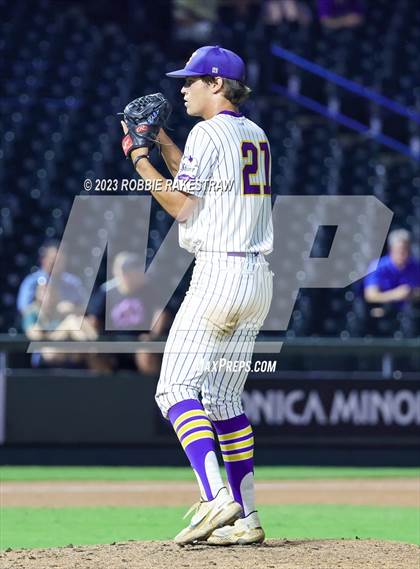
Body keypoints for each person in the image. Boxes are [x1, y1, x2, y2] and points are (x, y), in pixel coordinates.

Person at [121, 46, 273, 545]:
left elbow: (183, 206)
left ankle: (215, 498)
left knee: (174, 390)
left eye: (190, 81)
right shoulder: (255, 134)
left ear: (215, 82)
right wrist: (165, 142)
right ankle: (247, 518)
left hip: (218, 273)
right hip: (257, 278)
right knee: (225, 398)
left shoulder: (208, 132)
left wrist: (142, 159)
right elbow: (205, 182)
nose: (182, 88)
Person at [87, 252, 173, 374]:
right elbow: (94, 319)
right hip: (113, 341)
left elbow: (161, 314)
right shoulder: (107, 291)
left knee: (146, 352)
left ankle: (148, 389)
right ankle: (104, 388)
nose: (129, 275)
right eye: (126, 271)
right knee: (94, 351)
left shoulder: (149, 289)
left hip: (139, 341)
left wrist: (152, 336)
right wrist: (98, 338)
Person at [364, 229, 420, 336]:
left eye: (406, 250)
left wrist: (411, 294)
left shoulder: (416, 266)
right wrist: (395, 294)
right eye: (400, 250)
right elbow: (370, 295)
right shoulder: (378, 267)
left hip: (410, 315)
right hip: (384, 314)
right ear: (391, 250)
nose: (403, 254)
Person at [17, 240, 85, 319]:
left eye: (59, 261)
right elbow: (23, 309)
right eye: (53, 261)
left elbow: (84, 308)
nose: (56, 264)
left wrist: (72, 310)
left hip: (67, 325)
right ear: (43, 260)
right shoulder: (32, 282)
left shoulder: (73, 282)